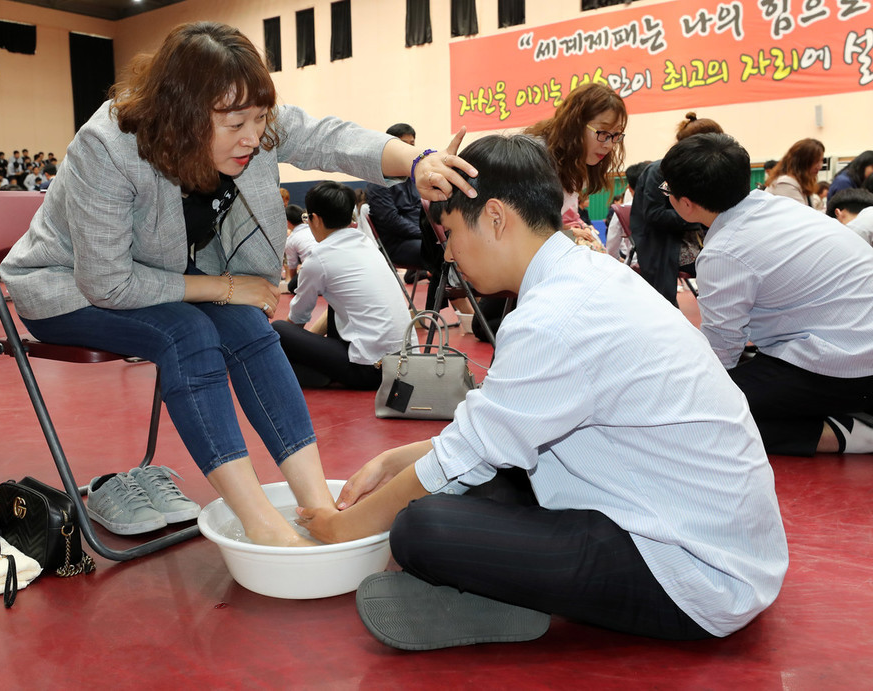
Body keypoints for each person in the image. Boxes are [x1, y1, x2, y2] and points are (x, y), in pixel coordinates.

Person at [297, 134, 787, 650]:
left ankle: (515, 600)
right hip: (701, 531)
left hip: (693, 575)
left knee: (421, 528)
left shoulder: (555, 318)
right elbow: (491, 432)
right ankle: (504, 593)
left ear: (494, 217)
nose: (449, 252)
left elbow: (465, 455)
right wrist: (391, 461)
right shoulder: (584, 275)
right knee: (471, 484)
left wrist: (341, 530)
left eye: (450, 232)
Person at [0, 21, 476, 546]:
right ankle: (260, 522)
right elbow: (108, 283)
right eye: (234, 124)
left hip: (161, 281)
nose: (253, 137)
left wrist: (415, 161)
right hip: (69, 288)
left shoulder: (248, 120)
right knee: (189, 333)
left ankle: (318, 506)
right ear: (180, 115)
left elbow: (326, 137)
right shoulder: (107, 147)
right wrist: (224, 287)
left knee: (250, 326)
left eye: (259, 119)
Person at [660, 133, 873, 456]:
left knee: (702, 412)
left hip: (849, 366)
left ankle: (851, 435)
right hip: (852, 345)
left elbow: (721, 353)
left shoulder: (725, 252)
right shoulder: (779, 207)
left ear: (686, 203)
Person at [272, 181, 413, 390]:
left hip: (370, 370)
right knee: (336, 301)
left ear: (315, 219)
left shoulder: (318, 259)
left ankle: (319, 372)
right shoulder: (366, 242)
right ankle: (322, 370)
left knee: (278, 330)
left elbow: (297, 320)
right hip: (405, 363)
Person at [631, 112, 723, 306]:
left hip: (695, 237)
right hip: (664, 243)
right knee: (722, 264)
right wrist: (697, 217)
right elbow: (654, 214)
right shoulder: (660, 172)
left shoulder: (702, 171)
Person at [524, 82, 625, 251]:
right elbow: (528, 236)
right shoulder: (536, 158)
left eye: (616, 136)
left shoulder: (575, 165)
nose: (609, 145)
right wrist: (572, 235)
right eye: (602, 133)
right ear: (575, 123)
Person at [365, 123, 424, 269]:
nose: (409, 149)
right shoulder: (378, 182)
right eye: (404, 144)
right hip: (398, 243)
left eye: (412, 144)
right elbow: (392, 221)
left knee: (456, 245)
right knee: (441, 251)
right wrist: (425, 234)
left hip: (419, 237)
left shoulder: (413, 176)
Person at [605, 160, 649, 261]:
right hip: (670, 267)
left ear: (629, 188)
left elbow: (612, 247)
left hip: (635, 265)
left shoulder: (623, 210)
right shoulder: (670, 207)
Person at [765, 138, 825, 209]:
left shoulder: (802, 183)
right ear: (803, 162)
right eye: (816, 162)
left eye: (821, 161)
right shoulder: (785, 184)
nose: (820, 166)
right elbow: (802, 216)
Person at [283, 204, 314, 294]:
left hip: (312, 268)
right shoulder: (313, 229)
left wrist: (293, 284)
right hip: (329, 265)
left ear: (287, 222)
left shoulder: (291, 239)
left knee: (291, 287)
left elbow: (292, 267)